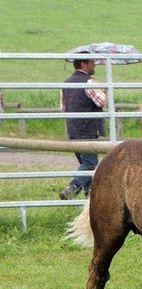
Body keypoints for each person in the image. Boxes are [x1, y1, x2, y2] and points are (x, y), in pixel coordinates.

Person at [59, 54, 106, 199]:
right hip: (88, 130)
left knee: (86, 166)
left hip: (73, 130)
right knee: (90, 164)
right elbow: (102, 101)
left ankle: (90, 198)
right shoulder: (89, 82)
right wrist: (107, 89)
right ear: (84, 64)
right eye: (92, 62)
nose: (94, 65)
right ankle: (73, 187)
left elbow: (63, 108)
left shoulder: (65, 84)